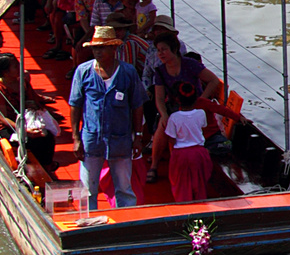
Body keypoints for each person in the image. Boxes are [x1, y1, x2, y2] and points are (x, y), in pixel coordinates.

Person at [69, 25, 146, 210]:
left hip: (120, 140)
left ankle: (127, 222)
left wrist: (138, 137)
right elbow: (75, 105)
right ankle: (90, 227)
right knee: (88, 189)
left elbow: (137, 105)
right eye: (95, 48)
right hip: (91, 139)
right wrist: (75, 138)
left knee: (124, 188)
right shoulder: (83, 72)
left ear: (113, 48)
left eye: (102, 47)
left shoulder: (128, 72)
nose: (97, 51)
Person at [144, 31, 221, 184]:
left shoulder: (190, 64)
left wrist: (201, 100)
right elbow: (159, 98)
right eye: (159, 50)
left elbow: (213, 81)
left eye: (164, 49)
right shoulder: (160, 71)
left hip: (195, 105)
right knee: (162, 125)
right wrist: (164, 114)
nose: (161, 54)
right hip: (174, 107)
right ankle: (154, 166)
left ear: (174, 49)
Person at [0, 55, 57, 173]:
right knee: (32, 141)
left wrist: (34, 105)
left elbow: (33, 98)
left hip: (25, 119)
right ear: (6, 72)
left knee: (47, 135)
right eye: (15, 66)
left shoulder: (22, 82)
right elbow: (2, 117)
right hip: (8, 126)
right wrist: (24, 130)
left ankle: (46, 166)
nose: (20, 68)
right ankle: (34, 171)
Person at [165, 81, 214, 203]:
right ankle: (200, 211)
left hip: (181, 154)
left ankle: (184, 212)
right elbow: (202, 127)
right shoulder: (201, 113)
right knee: (200, 183)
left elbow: (171, 138)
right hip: (199, 153)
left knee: (181, 185)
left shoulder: (174, 117)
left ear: (178, 100)